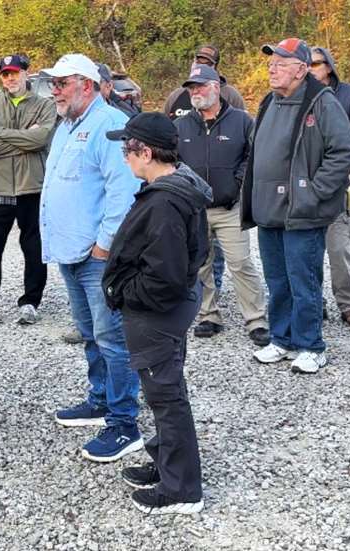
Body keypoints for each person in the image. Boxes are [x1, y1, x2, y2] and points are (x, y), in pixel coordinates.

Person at [102, 112, 209, 515]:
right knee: (163, 391)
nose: (124, 157)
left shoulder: (165, 201)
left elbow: (162, 277)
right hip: (166, 312)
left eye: (127, 149)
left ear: (145, 152)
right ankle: (167, 462)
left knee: (166, 397)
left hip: (155, 316)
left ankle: (182, 489)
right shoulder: (175, 188)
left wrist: (124, 292)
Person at [40, 53, 143, 462]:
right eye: (53, 84)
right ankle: (100, 399)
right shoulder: (67, 125)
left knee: (113, 340)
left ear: (85, 84)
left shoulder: (109, 125)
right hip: (71, 252)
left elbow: (123, 190)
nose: (54, 90)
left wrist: (104, 244)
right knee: (91, 334)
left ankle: (124, 422)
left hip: (97, 256)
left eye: (61, 83)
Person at [241, 38, 350, 374]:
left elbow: (343, 151)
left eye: (281, 62)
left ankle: (311, 346)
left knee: (303, 280)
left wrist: (312, 192)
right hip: (268, 210)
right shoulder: (268, 101)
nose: (271, 68)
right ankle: (283, 339)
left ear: (302, 69)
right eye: (271, 62)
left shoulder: (322, 102)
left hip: (301, 212)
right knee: (277, 280)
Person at [173, 64, 270, 346]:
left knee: (240, 263)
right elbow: (173, 161)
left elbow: (253, 155)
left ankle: (256, 319)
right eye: (191, 88)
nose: (195, 92)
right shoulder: (181, 125)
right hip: (195, 209)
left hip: (229, 209)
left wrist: (237, 183)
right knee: (200, 264)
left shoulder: (241, 121)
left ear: (216, 87)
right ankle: (208, 316)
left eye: (201, 86)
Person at [0, 54, 56, 327]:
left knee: (34, 247)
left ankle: (31, 301)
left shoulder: (45, 105)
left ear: (25, 74)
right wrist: (23, 138)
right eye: (5, 74)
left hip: (32, 187)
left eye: (15, 73)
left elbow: (42, 139)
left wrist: (4, 133)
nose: (10, 78)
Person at [310, 46, 350, 328]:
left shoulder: (348, 95)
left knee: (339, 249)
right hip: (306, 185)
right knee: (307, 250)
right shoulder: (299, 95)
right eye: (307, 64)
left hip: (337, 185)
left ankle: (348, 304)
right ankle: (314, 302)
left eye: (315, 64)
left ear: (329, 66)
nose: (310, 69)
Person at [163, 44, 246, 120]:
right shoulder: (176, 96)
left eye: (208, 64)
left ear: (215, 67)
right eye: (198, 62)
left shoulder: (231, 96)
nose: (201, 66)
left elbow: (242, 126)